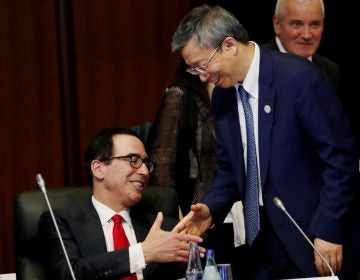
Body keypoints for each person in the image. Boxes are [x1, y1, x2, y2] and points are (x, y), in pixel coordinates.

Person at [171, 4, 359, 280]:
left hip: (310, 236)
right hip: (259, 242)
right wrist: (209, 208)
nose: (202, 75)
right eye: (193, 69)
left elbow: (341, 160)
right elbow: (230, 167)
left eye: (202, 64)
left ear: (229, 45)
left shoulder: (299, 79)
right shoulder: (223, 95)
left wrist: (329, 229)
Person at [39, 127, 204, 280]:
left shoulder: (164, 230)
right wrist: (143, 253)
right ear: (98, 168)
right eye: (133, 160)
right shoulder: (61, 223)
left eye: (146, 163)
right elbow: (69, 275)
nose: (145, 171)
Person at [148, 57, 247, 279]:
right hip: (199, 214)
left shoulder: (240, 89)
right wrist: (176, 218)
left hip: (241, 211)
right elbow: (162, 162)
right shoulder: (180, 94)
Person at [263, 0, 340, 92]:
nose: (306, 35)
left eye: (314, 24)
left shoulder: (330, 71)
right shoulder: (256, 65)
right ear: (277, 24)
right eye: (297, 24)